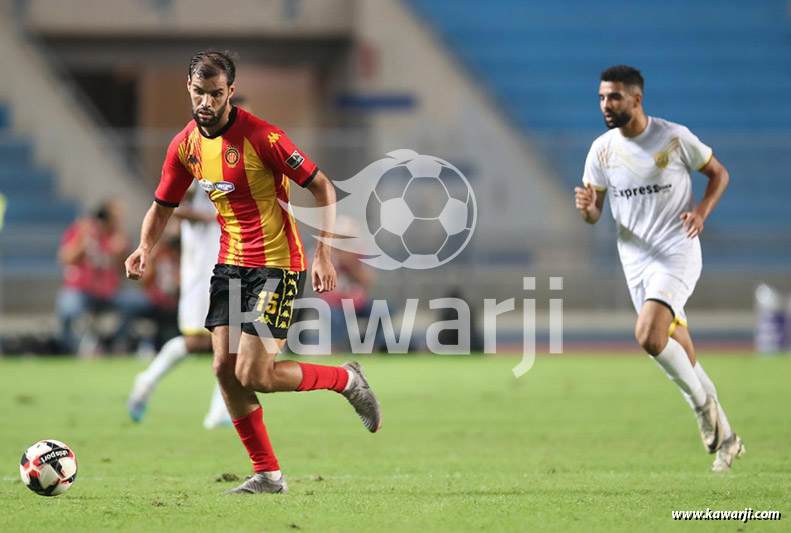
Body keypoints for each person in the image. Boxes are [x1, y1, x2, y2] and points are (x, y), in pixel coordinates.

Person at [124, 50, 382, 494]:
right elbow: (162, 205)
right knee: (223, 369)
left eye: (216, 94)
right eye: (199, 93)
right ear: (190, 88)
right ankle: (268, 474)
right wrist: (144, 246)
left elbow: (323, 186)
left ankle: (346, 379)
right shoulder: (185, 144)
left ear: (229, 92)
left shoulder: (263, 137)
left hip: (279, 265)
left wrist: (324, 255)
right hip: (230, 266)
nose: (207, 102)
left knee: (256, 375)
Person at [575, 65, 742, 472]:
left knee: (648, 336)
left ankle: (703, 407)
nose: (606, 105)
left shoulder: (673, 137)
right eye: (601, 97)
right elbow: (595, 214)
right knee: (680, 349)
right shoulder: (601, 149)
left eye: (613, 97)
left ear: (636, 98)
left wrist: (701, 212)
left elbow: (719, 174)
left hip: (676, 249)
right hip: (635, 261)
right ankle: (729, 439)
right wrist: (588, 209)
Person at [127, 182, 232, 429]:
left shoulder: (233, 158)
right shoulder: (199, 161)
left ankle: (220, 411)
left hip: (230, 261)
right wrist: (210, 217)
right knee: (198, 342)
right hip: (204, 267)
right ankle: (148, 379)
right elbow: (172, 204)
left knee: (232, 339)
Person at [56, 200, 148, 355]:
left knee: (136, 302)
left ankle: (117, 344)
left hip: (108, 292)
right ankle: (73, 347)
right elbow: (65, 258)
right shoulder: (82, 230)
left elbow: (126, 272)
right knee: (68, 306)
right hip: (81, 289)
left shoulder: (119, 238)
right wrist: (82, 240)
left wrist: (121, 252)